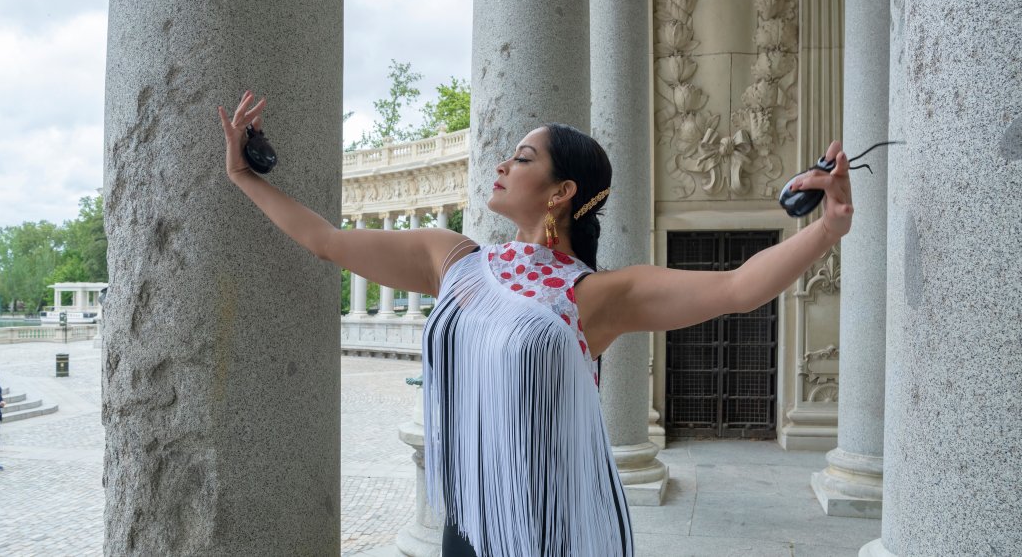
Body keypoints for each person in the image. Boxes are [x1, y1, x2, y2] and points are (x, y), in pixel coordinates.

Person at [218, 91, 854, 556]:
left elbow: (737, 289)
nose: (501, 165)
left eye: (521, 158)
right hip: (469, 517)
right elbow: (327, 241)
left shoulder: (594, 295)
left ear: (560, 192)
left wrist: (826, 228)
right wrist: (243, 176)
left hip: (556, 522)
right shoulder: (453, 260)